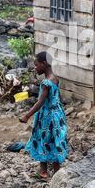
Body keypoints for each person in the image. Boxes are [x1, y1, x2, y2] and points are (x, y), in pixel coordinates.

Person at [20, 52, 68, 180]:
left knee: (43, 139)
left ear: (44, 64)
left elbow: (40, 102)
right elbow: (57, 97)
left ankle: (43, 171)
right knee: (54, 140)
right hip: (57, 115)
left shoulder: (46, 83)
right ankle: (57, 171)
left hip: (46, 117)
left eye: (36, 65)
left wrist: (27, 115)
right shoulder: (55, 78)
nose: (35, 68)